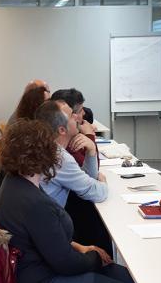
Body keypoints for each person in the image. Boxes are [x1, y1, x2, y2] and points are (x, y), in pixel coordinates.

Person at [0, 119, 149, 283]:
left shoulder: (14, 184)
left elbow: (50, 242)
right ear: (43, 156)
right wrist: (95, 258)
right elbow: (65, 263)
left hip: (37, 271)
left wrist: (82, 248)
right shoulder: (34, 202)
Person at [35, 100, 112, 254]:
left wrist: (91, 151)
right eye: (72, 115)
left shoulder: (45, 147)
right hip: (47, 239)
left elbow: (86, 177)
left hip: (41, 231)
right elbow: (97, 192)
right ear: (62, 130)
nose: (78, 117)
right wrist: (103, 183)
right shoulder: (58, 158)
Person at [50, 88, 98, 167]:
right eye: (80, 110)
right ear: (68, 115)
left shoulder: (67, 135)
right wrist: (90, 136)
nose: (84, 113)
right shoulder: (66, 144)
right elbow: (91, 173)